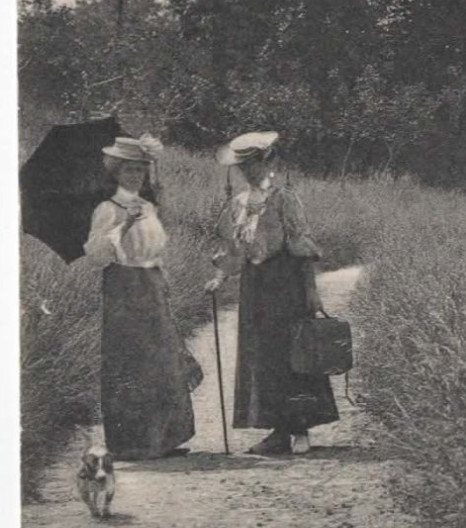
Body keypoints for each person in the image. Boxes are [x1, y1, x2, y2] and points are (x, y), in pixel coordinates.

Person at [206, 131, 337, 455]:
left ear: (270, 163)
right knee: (262, 357)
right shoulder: (238, 204)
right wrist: (220, 277)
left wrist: (311, 291)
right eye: (245, 167)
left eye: (257, 164)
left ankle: (301, 430)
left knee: (293, 355)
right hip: (255, 286)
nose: (251, 172)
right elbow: (234, 249)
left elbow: (301, 248)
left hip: (286, 283)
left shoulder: (284, 199)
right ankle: (277, 431)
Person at [84, 135, 198, 460]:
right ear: (116, 173)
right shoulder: (108, 209)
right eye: (129, 171)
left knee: (161, 358)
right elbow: (97, 254)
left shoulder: (149, 206)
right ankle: (131, 441)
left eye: (140, 171)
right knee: (131, 359)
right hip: (123, 285)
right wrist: (123, 225)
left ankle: (163, 437)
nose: (135, 176)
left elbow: (157, 248)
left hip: (150, 282)